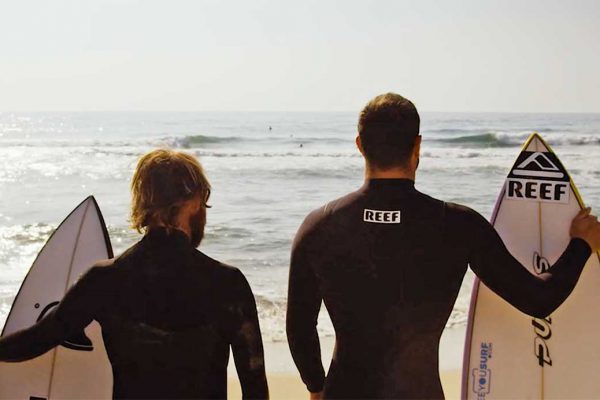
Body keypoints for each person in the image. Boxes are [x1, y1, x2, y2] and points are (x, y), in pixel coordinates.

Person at [286, 93, 600, 399]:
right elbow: (538, 300)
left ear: (359, 145)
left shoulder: (319, 225)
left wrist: (316, 386)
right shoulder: (458, 224)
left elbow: (299, 327)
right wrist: (582, 243)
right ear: (417, 146)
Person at [0, 149, 269, 399]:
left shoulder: (104, 279)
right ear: (194, 202)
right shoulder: (228, 283)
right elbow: (255, 385)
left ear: (143, 202)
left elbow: (36, 340)